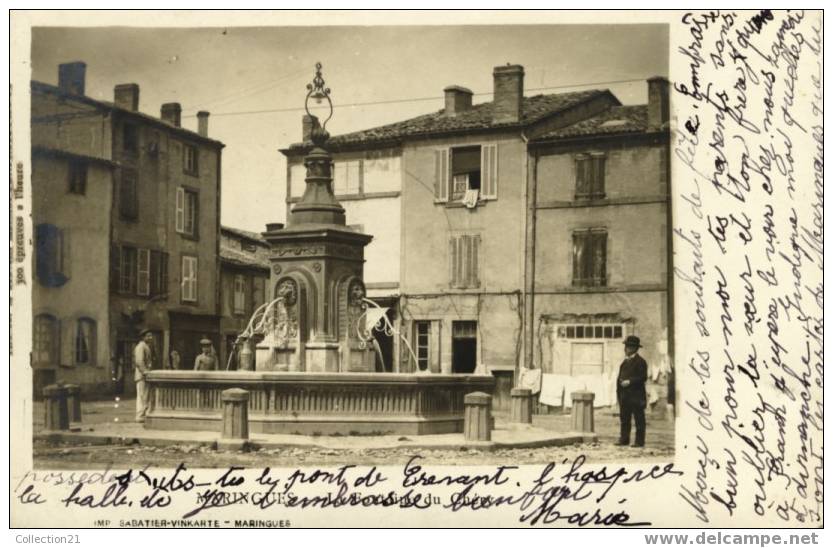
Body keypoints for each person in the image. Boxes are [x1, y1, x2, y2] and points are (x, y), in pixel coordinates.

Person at [616, 335, 648, 447]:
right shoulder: (625, 362)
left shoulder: (640, 362)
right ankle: (624, 439)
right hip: (625, 396)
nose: (626, 349)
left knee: (639, 420)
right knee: (624, 419)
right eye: (626, 346)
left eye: (629, 347)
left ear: (635, 348)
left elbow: (643, 377)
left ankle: (639, 442)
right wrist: (619, 394)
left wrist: (630, 381)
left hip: (636, 397)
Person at [133, 329, 155, 422]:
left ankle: (144, 414)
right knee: (142, 396)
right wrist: (145, 372)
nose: (151, 337)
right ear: (143, 337)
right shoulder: (140, 347)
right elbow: (139, 361)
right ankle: (140, 416)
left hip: (145, 375)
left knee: (145, 396)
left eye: (151, 336)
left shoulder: (146, 346)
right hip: (142, 376)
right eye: (148, 336)